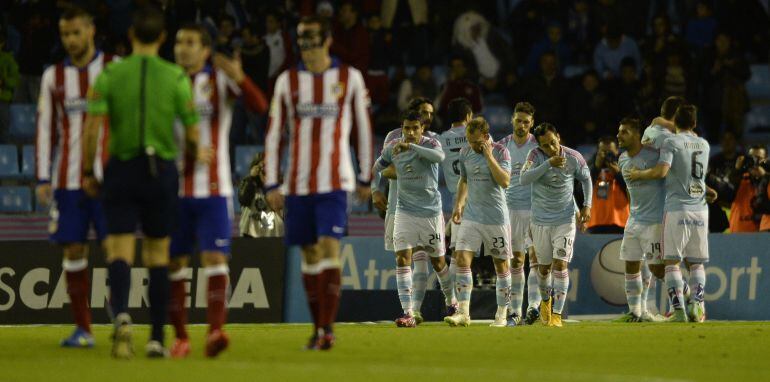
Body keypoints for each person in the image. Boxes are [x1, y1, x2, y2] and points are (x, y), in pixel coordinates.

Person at [83, 6, 202, 358]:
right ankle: (154, 338)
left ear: (131, 36)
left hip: (121, 168)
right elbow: (193, 135)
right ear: (163, 38)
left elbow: (92, 130)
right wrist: (191, 160)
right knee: (157, 256)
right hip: (160, 170)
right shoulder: (176, 77)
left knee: (119, 250)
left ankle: (121, 316)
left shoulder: (108, 76)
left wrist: (90, 172)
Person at [264, 16, 373, 350]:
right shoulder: (287, 81)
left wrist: (365, 176)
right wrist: (271, 183)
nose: (306, 46)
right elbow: (274, 134)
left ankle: (327, 328)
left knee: (328, 247)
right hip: (297, 185)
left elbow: (363, 129)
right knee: (310, 254)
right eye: (301, 39)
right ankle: (318, 326)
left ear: (327, 40)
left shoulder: (349, 78)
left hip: (335, 182)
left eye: (312, 38)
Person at [166, 23, 268, 359]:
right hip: (173, 190)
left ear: (205, 50)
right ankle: (180, 337)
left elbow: (259, 106)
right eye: (179, 41)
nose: (183, 47)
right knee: (175, 263)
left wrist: (240, 77)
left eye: (190, 42)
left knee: (214, 258)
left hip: (214, 189)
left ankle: (215, 332)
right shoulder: (167, 82)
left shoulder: (217, 80)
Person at [35, 7, 114, 348]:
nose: (70, 40)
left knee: (116, 251)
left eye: (76, 33)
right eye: (65, 34)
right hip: (67, 182)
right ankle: (84, 330)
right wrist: (41, 177)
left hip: (109, 181)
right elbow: (44, 130)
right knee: (73, 250)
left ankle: (121, 321)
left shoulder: (113, 69)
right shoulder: (53, 76)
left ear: (91, 31)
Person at [629, 104, 710, 323]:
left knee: (671, 263)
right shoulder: (704, 144)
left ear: (675, 121)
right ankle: (697, 306)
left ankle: (679, 311)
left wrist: (639, 174)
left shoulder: (671, 142)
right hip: (701, 209)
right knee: (696, 263)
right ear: (694, 123)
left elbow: (661, 171)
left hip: (677, 209)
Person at [372, 110, 453, 327]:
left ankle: (451, 301)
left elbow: (440, 158)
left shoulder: (431, 144)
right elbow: (376, 168)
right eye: (406, 128)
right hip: (404, 211)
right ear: (402, 127)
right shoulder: (393, 148)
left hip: (430, 213)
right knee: (402, 258)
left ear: (422, 128)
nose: (409, 132)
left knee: (438, 262)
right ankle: (408, 313)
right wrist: (374, 190)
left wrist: (412, 146)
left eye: (414, 128)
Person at [520, 123, 592, 327]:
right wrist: (548, 164)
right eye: (545, 146)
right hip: (540, 221)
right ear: (539, 145)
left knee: (560, 265)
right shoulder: (535, 156)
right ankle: (545, 301)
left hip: (565, 220)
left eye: (553, 143)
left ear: (558, 137)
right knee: (543, 269)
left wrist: (586, 206)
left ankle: (557, 315)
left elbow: (586, 180)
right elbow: (524, 179)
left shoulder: (574, 157)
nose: (551, 148)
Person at [444, 117, 512, 328]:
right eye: (468, 140)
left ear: (485, 137)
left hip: (496, 218)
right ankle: (463, 313)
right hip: (472, 216)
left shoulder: (501, 151)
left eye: (474, 141)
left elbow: (505, 181)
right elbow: (464, 180)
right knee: (462, 259)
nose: (471, 145)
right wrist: (458, 205)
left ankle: (501, 314)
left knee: (501, 265)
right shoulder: (465, 152)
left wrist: (488, 156)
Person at [616, 118, 666, 322]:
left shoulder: (654, 156)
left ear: (637, 135)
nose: (619, 136)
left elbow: (668, 176)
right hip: (634, 220)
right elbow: (629, 190)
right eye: (619, 132)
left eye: (624, 132)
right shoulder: (622, 159)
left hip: (655, 221)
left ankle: (688, 295)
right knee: (631, 265)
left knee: (658, 269)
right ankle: (636, 312)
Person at [497, 102, 541, 325]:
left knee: (535, 259)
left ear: (532, 123)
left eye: (526, 121)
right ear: (512, 120)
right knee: (515, 261)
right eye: (519, 120)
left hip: (536, 209)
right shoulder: (502, 146)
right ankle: (515, 311)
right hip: (510, 209)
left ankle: (533, 306)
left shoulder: (539, 146)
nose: (522, 125)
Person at [586, 136, 629, 233]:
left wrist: (618, 174)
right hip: (596, 222)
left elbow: (633, 191)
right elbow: (581, 190)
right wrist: (596, 168)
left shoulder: (626, 165)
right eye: (603, 152)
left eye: (610, 152)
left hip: (621, 221)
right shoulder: (590, 166)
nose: (606, 156)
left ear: (617, 151)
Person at [239, 153, 284, 238]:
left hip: (274, 237)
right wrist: (251, 178)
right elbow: (243, 200)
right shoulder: (249, 183)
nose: (266, 171)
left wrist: (269, 187)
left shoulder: (280, 187)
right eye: (263, 167)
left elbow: (283, 211)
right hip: (250, 236)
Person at [727, 145, 768, 232]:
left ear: (765, 160)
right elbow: (727, 187)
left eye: (759, 158)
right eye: (752, 158)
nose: (755, 162)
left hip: (762, 234)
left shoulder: (768, 180)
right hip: (738, 233)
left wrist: (764, 177)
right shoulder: (740, 178)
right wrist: (737, 169)